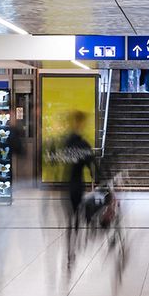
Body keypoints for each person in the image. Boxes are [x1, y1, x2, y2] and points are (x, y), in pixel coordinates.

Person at [55, 110, 95, 262]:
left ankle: (70, 249)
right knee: (77, 216)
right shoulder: (83, 145)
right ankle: (74, 245)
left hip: (68, 185)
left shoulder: (67, 143)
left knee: (70, 218)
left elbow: (60, 159)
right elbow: (92, 166)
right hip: (78, 185)